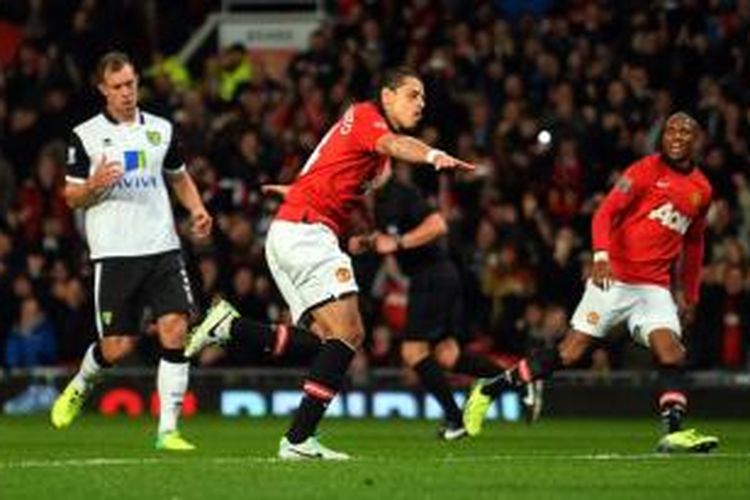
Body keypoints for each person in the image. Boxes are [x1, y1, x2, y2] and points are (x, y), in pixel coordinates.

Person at [186, 66, 474, 459]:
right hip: (306, 232)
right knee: (350, 334)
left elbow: (328, 172)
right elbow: (394, 144)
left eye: (423, 97)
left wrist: (296, 192)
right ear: (387, 95)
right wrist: (432, 154)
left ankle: (230, 327)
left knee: (328, 341)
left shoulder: (366, 145)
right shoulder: (369, 119)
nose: (421, 103)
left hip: (295, 229)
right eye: (412, 94)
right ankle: (298, 440)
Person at [462, 112, 720, 453]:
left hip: (653, 287)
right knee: (568, 354)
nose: (675, 136)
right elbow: (605, 213)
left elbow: (695, 242)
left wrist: (690, 292)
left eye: (684, 131)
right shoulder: (644, 171)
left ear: (696, 140)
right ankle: (489, 389)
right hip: (613, 279)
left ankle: (673, 432)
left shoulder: (701, 189)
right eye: (670, 130)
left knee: (671, 351)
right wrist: (601, 257)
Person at [50, 52, 212, 451]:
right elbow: (71, 197)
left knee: (176, 330)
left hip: (162, 247)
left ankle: (168, 431)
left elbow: (178, 176)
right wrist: (94, 186)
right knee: (117, 347)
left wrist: (197, 208)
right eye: (118, 86)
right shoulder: (85, 135)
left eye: (131, 84)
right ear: (103, 89)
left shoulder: (160, 129)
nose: (126, 93)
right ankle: (82, 382)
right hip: (115, 253)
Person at [348, 169, 524, 439]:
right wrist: (368, 242)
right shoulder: (384, 198)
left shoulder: (400, 193)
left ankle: (455, 419)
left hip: (431, 277)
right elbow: (389, 241)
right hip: (438, 276)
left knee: (412, 352)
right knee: (447, 356)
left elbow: (437, 225)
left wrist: (397, 241)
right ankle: (520, 379)